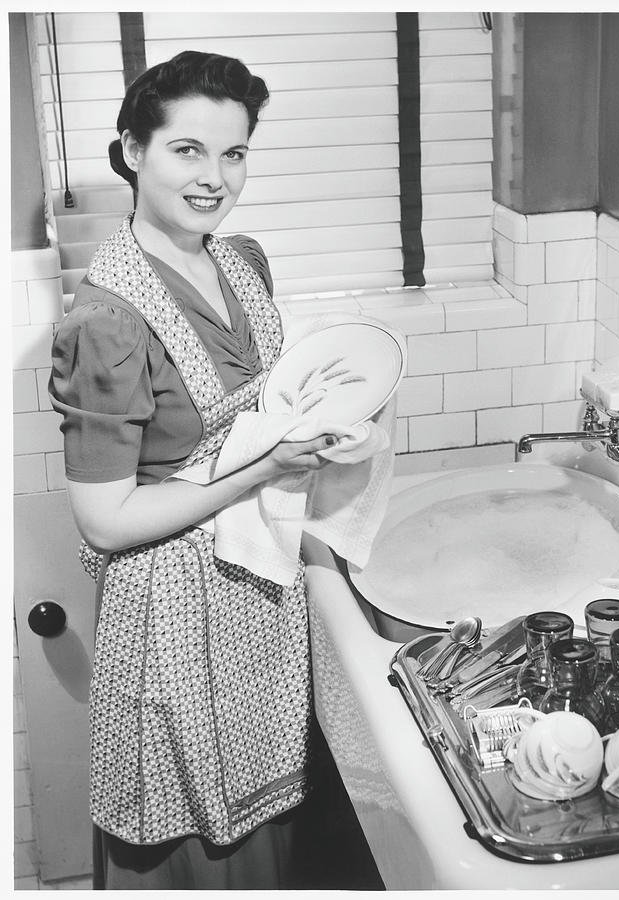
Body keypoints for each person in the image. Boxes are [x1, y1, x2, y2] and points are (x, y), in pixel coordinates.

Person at [49, 50, 375, 890]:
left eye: (233, 153)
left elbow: (264, 405)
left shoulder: (243, 261)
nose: (215, 178)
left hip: (261, 588)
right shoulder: (104, 323)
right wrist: (265, 469)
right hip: (168, 611)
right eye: (187, 150)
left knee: (280, 813)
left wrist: (324, 421)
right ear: (133, 151)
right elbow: (105, 522)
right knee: (200, 836)